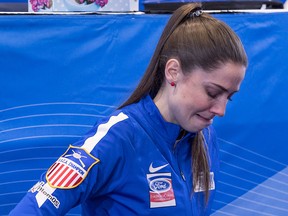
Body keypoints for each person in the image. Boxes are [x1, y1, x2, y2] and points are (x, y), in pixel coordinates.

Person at [9, 2, 247, 216]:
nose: (221, 110)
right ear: (173, 72)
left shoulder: (205, 137)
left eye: (230, 97)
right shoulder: (116, 138)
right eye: (213, 93)